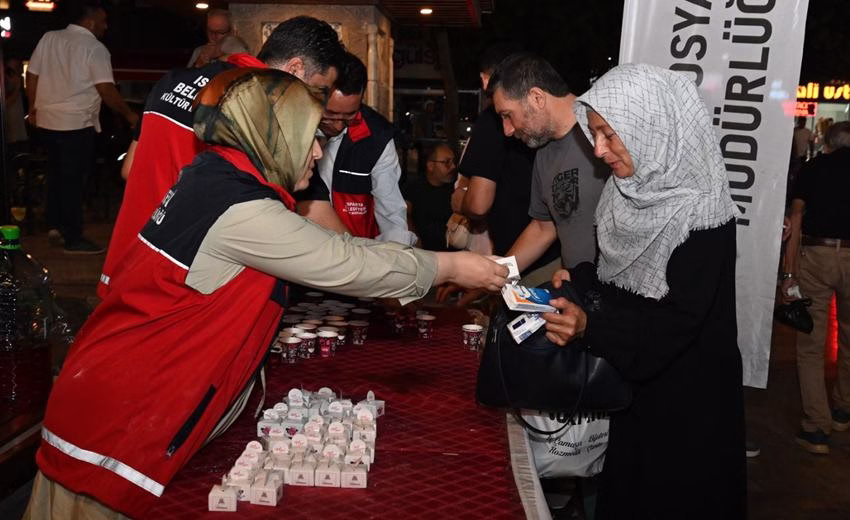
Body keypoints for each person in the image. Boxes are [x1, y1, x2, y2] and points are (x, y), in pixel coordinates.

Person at [24, 68, 508, 520]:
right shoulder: (240, 207)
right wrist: (451, 265)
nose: (318, 153)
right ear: (272, 135)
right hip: (117, 423)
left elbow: (327, 245)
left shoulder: (216, 176)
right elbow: (344, 263)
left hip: (110, 396)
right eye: (310, 136)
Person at [542, 64, 746, 519]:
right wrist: (579, 282)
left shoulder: (703, 212)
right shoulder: (622, 193)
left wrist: (591, 325)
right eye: (593, 135)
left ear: (651, 126)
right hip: (634, 392)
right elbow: (617, 282)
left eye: (609, 135)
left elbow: (677, 322)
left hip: (689, 410)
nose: (599, 151)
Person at [98, 15, 344, 298]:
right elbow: (319, 215)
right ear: (295, 69)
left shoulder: (172, 81)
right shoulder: (265, 115)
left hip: (130, 261)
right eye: (320, 90)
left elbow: (130, 169)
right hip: (186, 280)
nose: (318, 105)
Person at [26, 1, 139, 254]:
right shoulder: (94, 47)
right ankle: (73, 237)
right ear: (90, 22)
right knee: (74, 181)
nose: (106, 26)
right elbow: (106, 89)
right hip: (75, 122)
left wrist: (33, 108)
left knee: (55, 175)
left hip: (47, 120)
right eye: (103, 21)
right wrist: (129, 114)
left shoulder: (49, 38)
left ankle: (54, 225)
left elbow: (32, 74)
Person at [489, 53, 608, 276]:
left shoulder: (604, 132)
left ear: (537, 97)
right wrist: (497, 275)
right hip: (578, 296)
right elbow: (544, 227)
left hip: (616, 297)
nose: (507, 130)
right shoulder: (543, 151)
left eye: (508, 115)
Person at [296, 52, 417, 245]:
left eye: (349, 116)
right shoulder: (294, 127)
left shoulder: (377, 137)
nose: (337, 126)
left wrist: (396, 257)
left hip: (358, 251)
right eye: (330, 114)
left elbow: (391, 211)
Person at [782, 121, 850, 455]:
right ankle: (843, 408)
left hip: (817, 254)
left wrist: (789, 270)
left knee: (811, 342)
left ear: (829, 144)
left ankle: (817, 428)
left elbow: (796, 216)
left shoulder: (814, 169)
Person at [403, 142, 457, 251]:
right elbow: (404, 215)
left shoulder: (456, 188)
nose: (453, 167)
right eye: (446, 162)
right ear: (431, 165)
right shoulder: (413, 188)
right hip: (422, 253)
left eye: (453, 161)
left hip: (453, 254)